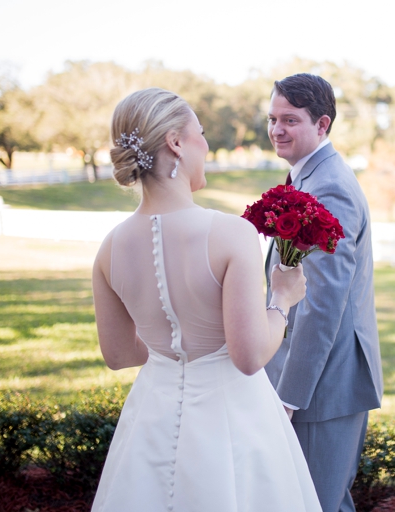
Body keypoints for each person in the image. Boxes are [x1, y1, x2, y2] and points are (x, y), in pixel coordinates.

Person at [90, 88, 321, 512]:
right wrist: (282, 300)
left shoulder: (109, 249)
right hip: (232, 419)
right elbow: (249, 355)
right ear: (176, 142)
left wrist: (169, 349)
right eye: (201, 133)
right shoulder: (230, 234)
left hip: (151, 418)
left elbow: (119, 354)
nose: (207, 145)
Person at [264, 73, 384, 512]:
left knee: (313, 503)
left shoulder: (328, 187)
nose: (277, 129)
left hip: (321, 386)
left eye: (290, 120)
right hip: (313, 377)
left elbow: (322, 302)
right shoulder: (306, 177)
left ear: (322, 125)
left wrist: (291, 393)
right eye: (273, 118)